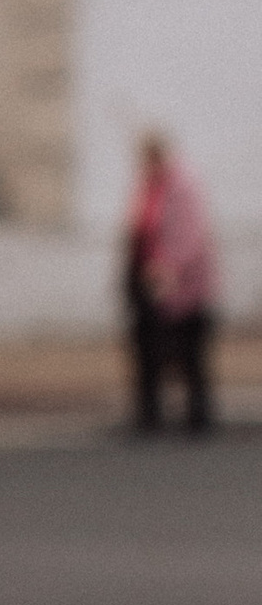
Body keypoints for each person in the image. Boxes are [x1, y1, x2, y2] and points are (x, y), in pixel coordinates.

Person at [122, 130, 218, 432]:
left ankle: (197, 415)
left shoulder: (181, 186)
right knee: (148, 350)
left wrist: (167, 268)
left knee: (190, 352)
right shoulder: (150, 187)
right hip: (151, 281)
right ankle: (150, 413)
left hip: (179, 284)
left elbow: (189, 236)